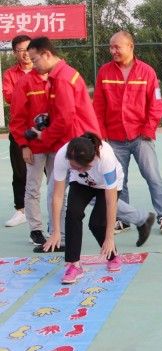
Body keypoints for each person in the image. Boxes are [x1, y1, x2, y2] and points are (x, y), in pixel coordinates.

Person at [43, 133, 154, 284]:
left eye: (77, 167)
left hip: (106, 187)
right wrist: (56, 231)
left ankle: (113, 256)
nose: (73, 169)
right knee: (73, 214)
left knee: (96, 223)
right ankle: (73, 264)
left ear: (90, 163)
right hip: (82, 183)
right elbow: (57, 196)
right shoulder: (63, 156)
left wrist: (109, 238)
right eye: (72, 166)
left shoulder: (105, 158)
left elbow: (111, 203)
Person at [26, 36, 101, 252]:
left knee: (58, 192)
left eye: (35, 60)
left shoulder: (62, 79)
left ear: (47, 54)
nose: (33, 65)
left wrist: (43, 136)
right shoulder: (63, 75)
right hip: (78, 141)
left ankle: (58, 238)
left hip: (76, 144)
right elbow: (62, 113)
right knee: (93, 191)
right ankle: (139, 218)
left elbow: (66, 118)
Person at [93, 31, 162, 233]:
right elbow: (98, 106)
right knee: (118, 181)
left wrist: (148, 129)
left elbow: (156, 105)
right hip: (113, 138)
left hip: (141, 137)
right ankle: (124, 219)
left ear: (130, 46)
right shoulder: (104, 72)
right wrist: (101, 134)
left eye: (117, 47)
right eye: (111, 47)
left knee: (152, 177)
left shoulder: (147, 72)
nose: (113, 51)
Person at [9, 56, 52, 247]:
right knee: (33, 188)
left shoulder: (59, 78)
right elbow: (17, 117)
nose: (34, 59)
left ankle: (56, 228)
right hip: (35, 146)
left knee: (58, 188)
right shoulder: (25, 82)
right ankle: (36, 230)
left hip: (56, 144)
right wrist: (24, 145)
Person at [2, 35, 32, 228]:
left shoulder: (44, 69)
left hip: (45, 129)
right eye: (21, 50)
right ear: (15, 53)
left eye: (28, 49)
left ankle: (60, 207)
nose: (25, 54)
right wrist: (34, 94)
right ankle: (21, 211)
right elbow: (9, 97)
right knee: (20, 172)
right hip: (20, 130)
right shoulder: (10, 74)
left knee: (54, 171)